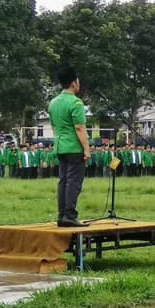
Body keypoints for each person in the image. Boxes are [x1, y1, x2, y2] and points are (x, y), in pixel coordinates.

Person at [49, 66, 90, 227]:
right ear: (74, 83)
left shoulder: (53, 102)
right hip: (74, 147)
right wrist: (86, 149)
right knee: (74, 182)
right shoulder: (76, 102)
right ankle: (70, 215)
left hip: (60, 146)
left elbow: (53, 126)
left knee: (63, 181)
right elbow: (79, 128)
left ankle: (62, 215)